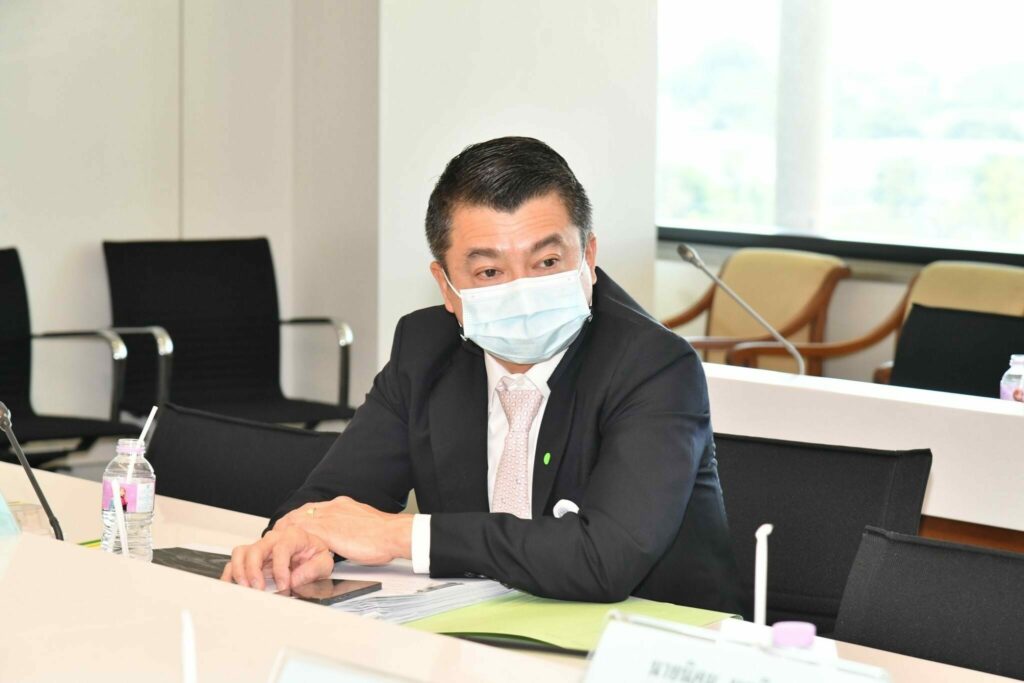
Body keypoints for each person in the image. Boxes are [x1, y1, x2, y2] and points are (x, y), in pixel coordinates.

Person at [221, 136, 741, 612]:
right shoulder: (425, 349)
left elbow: (603, 558)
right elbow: (333, 499)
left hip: (651, 641)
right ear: (446, 286)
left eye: (547, 262)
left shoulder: (654, 365)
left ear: (588, 255)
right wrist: (304, 540)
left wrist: (401, 536)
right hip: (479, 632)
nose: (522, 291)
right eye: (490, 271)